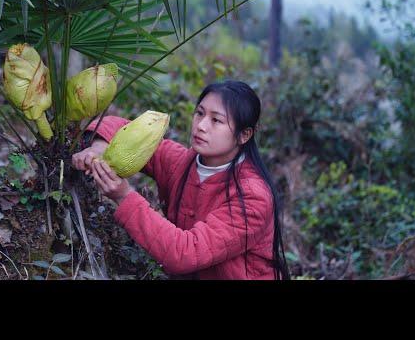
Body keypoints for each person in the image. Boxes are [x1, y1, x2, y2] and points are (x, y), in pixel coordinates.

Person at [71, 80, 289, 280]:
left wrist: (124, 196)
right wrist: (99, 148)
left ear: (245, 135)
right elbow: (118, 126)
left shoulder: (253, 197)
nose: (201, 126)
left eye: (216, 120)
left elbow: (183, 253)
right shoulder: (181, 162)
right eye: (199, 113)